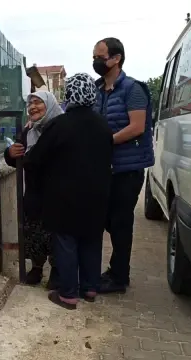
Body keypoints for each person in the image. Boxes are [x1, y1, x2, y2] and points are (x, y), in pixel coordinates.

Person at [23, 73, 113, 309]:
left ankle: (68, 295)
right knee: (92, 240)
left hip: (65, 197)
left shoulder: (59, 125)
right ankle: (91, 288)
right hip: (98, 195)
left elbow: (35, 158)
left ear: (70, 94)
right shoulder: (103, 124)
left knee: (66, 242)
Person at [92, 37, 154, 294]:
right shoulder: (96, 89)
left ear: (116, 58)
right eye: (94, 56)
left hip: (127, 169)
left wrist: (107, 142)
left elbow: (137, 127)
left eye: (100, 56)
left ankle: (119, 277)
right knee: (106, 218)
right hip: (104, 168)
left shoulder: (132, 89)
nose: (96, 61)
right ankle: (114, 271)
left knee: (120, 221)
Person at [4, 90, 63, 286]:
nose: (32, 107)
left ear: (50, 105)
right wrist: (10, 153)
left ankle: (57, 269)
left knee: (56, 233)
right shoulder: (29, 131)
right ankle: (37, 267)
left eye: (38, 102)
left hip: (57, 193)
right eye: (30, 104)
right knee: (34, 231)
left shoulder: (61, 128)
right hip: (34, 192)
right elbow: (18, 160)